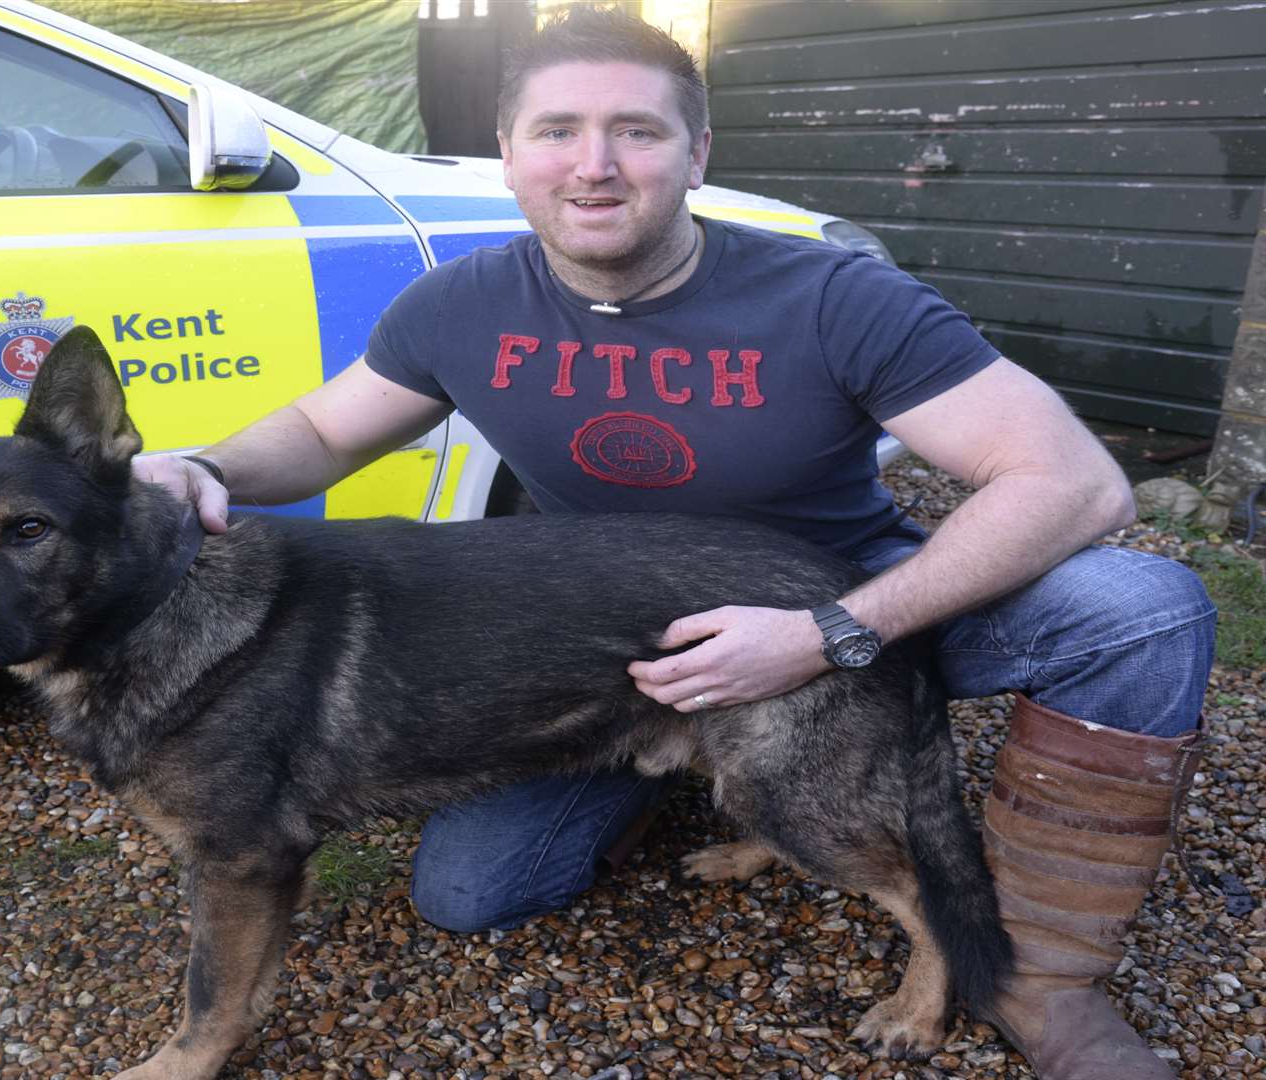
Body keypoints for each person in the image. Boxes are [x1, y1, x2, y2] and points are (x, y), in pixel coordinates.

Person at [133, 8, 1214, 1078]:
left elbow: (1073, 481)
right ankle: (706, 772)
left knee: (1140, 609)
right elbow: (323, 432)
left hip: (855, 608)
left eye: (637, 132)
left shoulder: (833, 295)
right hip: (614, 646)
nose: (593, 166)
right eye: (556, 131)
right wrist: (208, 469)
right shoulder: (462, 303)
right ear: (507, 154)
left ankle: (1046, 975)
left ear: (697, 152)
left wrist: (831, 632)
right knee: (470, 896)